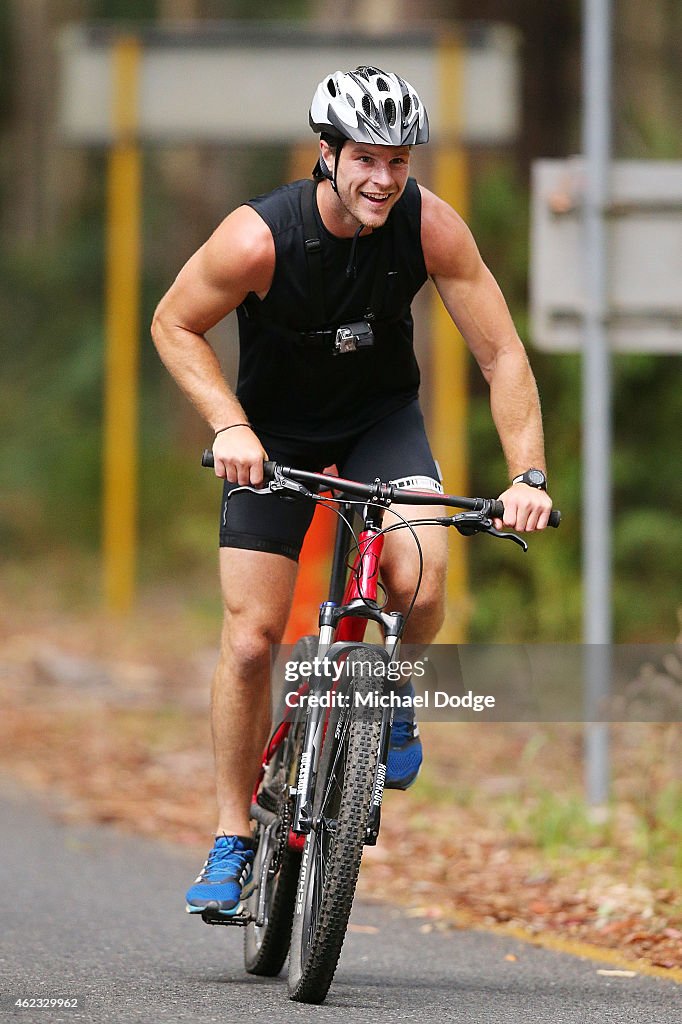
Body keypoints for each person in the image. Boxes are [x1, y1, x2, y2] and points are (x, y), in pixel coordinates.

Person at [151, 66, 554, 919]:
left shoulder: (430, 226)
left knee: (424, 578)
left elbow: (503, 355)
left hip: (380, 425)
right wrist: (229, 426)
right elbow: (173, 323)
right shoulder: (257, 238)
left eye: (399, 160)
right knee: (255, 639)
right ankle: (232, 835)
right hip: (273, 440)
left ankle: (393, 695)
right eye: (366, 157)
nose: (383, 178)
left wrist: (528, 476)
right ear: (326, 154)